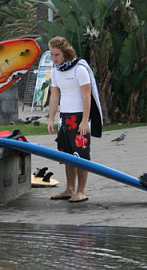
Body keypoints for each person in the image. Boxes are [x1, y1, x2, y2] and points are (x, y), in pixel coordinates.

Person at [47, 36, 102, 203]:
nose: (53, 58)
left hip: (79, 116)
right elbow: (54, 95)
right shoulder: (56, 71)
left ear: (65, 53)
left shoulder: (79, 69)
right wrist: (51, 119)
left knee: (81, 154)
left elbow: (87, 95)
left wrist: (85, 121)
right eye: (51, 54)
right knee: (67, 154)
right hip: (65, 117)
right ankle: (70, 188)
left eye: (57, 55)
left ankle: (81, 191)